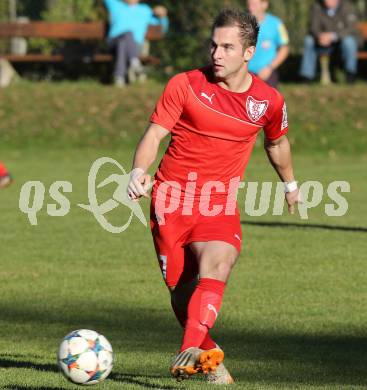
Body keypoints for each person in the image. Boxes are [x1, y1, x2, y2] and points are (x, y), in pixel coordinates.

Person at [127, 8, 301, 384]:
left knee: (218, 263)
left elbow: (277, 144)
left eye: (227, 47)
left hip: (218, 204)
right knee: (181, 293)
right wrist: (139, 172)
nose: (216, 54)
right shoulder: (184, 85)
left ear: (249, 53)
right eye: (213, 45)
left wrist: (290, 184)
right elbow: (155, 134)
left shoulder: (267, 101)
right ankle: (208, 354)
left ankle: (188, 350)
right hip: (169, 202)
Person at [104, 0, 168, 87]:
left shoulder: (145, 10)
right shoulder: (115, 4)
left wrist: (163, 16)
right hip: (113, 43)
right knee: (127, 35)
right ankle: (135, 63)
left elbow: (162, 28)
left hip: (135, 46)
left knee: (122, 43)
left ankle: (119, 77)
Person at [299, 0, 359, 84]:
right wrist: (319, 36)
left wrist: (333, 36)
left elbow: (351, 28)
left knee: (349, 42)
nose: (328, 1)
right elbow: (313, 26)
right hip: (322, 41)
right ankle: (306, 76)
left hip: (341, 41)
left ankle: (351, 74)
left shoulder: (347, 6)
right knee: (309, 41)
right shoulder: (317, 6)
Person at [247, 0, 289, 87]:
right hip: (244, 74)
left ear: (265, 4)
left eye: (254, 4)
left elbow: (285, 48)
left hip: (267, 75)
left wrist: (269, 68)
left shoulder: (277, 24)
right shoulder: (241, 23)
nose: (250, 8)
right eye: (249, 4)